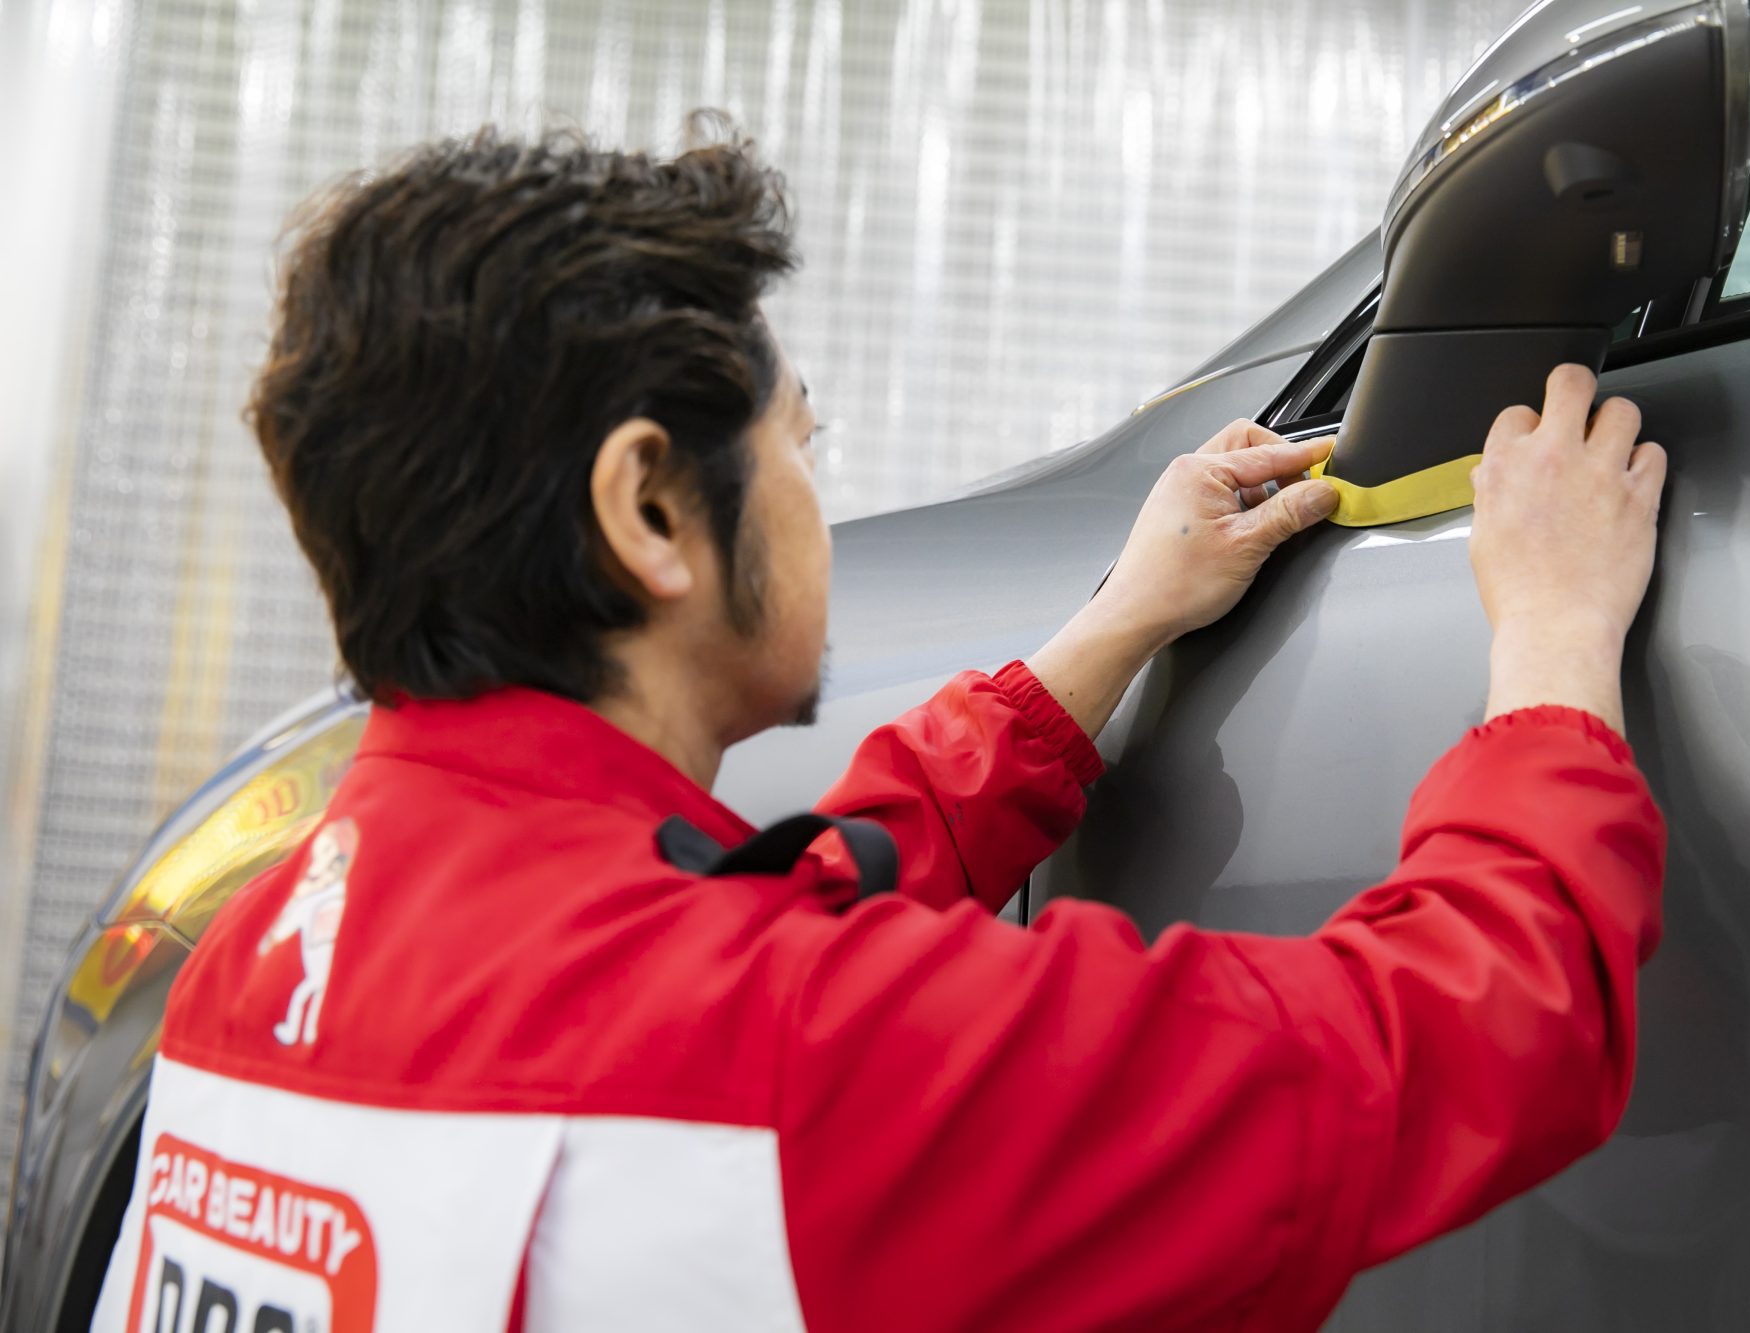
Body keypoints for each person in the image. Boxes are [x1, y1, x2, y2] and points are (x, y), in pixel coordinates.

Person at [92, 126, 1666, 1332]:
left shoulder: (255, 968)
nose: (815, 493)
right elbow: (1463, 1035)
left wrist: (1116, 622)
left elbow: (763, 925)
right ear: (651, 506)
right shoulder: (786, 1069)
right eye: (798, 440)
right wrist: (1550, 634)